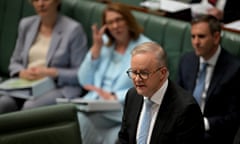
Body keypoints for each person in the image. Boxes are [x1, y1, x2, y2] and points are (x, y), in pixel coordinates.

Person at [76, 2, 151, 144]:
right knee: (73, 116)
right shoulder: (103, 43)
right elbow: (83, 80)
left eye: (119, 20)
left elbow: (148, 85)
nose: (115, 26)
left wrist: (114, 96)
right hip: (95, 104)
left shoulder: (145, 48)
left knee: (78, 119)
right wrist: (95, 51)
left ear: (128, 20)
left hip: (121, 107)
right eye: (110, 22)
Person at [0, 0, 88, 113]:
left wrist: (52, 72)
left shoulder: (73, 30)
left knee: (29, 108)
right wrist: (22, 72)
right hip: (27, 85)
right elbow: (14, 62)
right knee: (3, 104)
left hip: (57, 87)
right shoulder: (26, 25)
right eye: (36, 0)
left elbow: (81, 74)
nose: (40, 4)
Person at [118, 42, 204, 144]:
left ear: (162, 73)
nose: (137, 79)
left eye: (144, 73)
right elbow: (124, 138)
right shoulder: (133, 96)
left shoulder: (185, 109)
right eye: (134, 72)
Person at [177, 15, 240, 144]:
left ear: (216, 37)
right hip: (183, 127)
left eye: (201, 36)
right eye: (193, 36)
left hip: (213, 133)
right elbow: (176, 97)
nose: (195, 42)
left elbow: (234, 116)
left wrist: (203, 123)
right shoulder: (186, 61)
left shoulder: (234, 69)